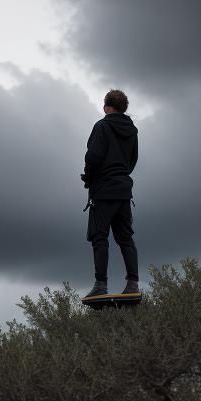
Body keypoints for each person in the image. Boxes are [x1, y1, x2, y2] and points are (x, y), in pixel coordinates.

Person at [81, 89, 140, 299]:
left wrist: (89, 177)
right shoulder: (132, 130)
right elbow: (132, 161)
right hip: (124, 190)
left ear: (106, 106)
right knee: (126, 239)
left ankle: (101, 285)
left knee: (99, 237)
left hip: (104, 190)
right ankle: (133, 283)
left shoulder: (102, 125)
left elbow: (93, 157)